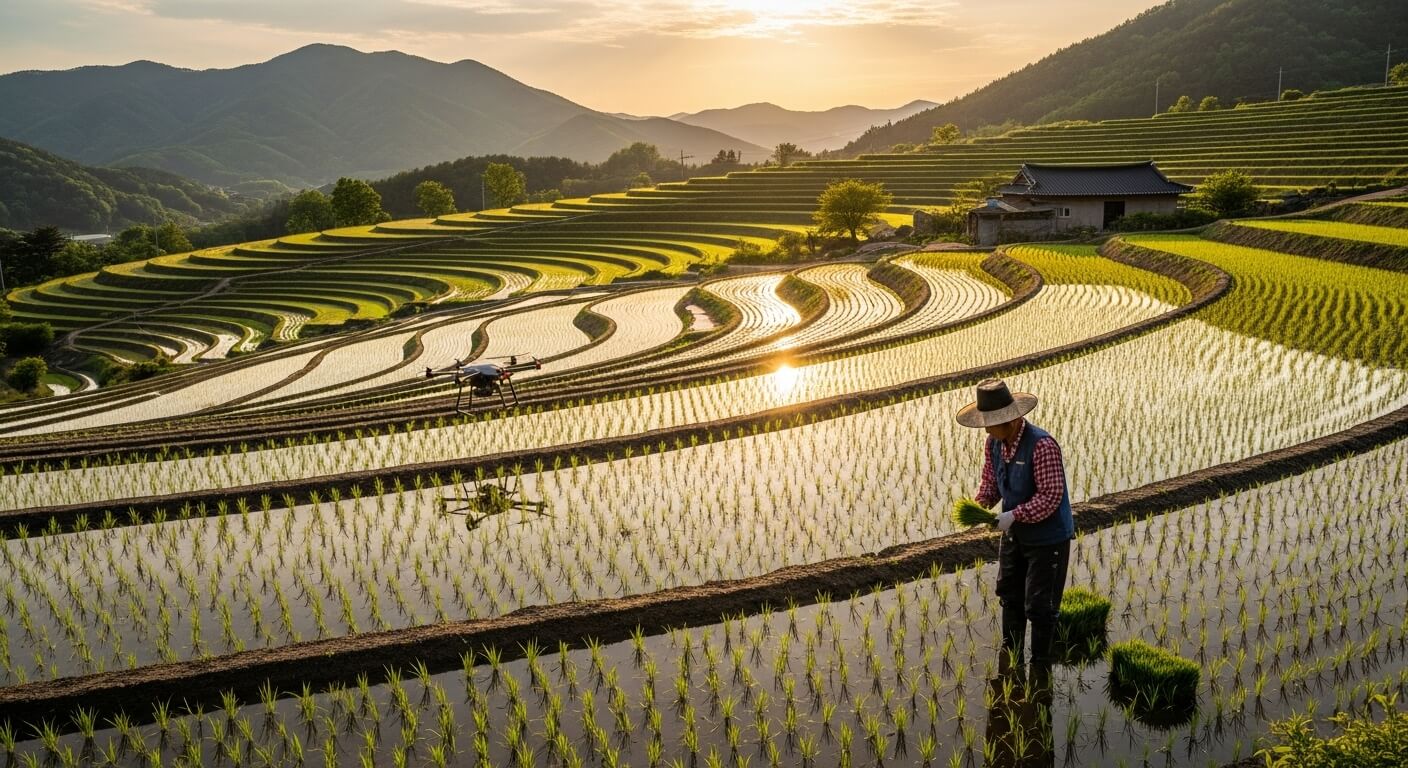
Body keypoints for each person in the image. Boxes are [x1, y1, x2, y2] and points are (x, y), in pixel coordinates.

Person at [955, 379, 1074, 673]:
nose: (986, 429)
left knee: (1040, 606)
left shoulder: (1041, 445)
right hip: (1014, 536)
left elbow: (1050, 496)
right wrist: (978, 507)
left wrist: (1014, 515)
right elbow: (991, 485)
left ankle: (1040, 672)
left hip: (1048, 539)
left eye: (990, 423)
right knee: (1010, 596)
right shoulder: (994, 443)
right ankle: (1011, 664)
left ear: (1010, 419)